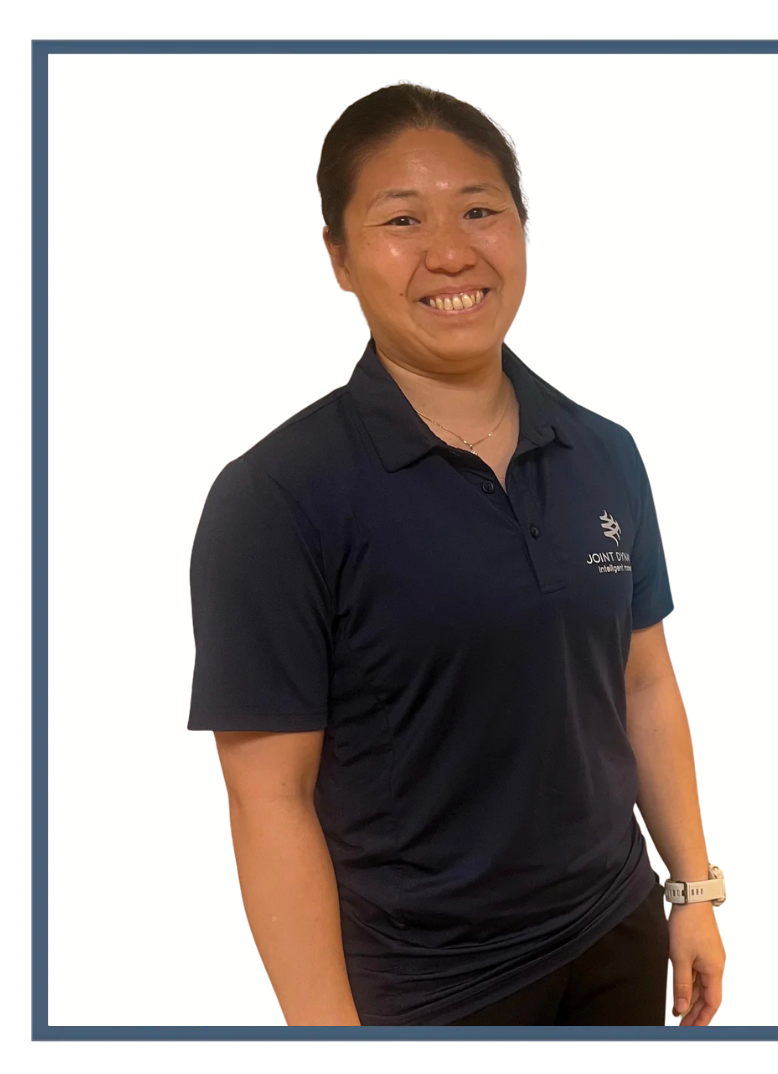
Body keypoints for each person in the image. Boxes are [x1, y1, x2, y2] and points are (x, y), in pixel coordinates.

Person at [187, 81, 725, 1027]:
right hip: (431, 991)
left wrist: (691, 890)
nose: (450, 252)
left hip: (618, 930)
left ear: (522, 227)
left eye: (481, 210)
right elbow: (269, 798)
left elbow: (642, 684)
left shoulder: (604, 452)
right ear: (340, 258)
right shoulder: (277, 496)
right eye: (403, 220)